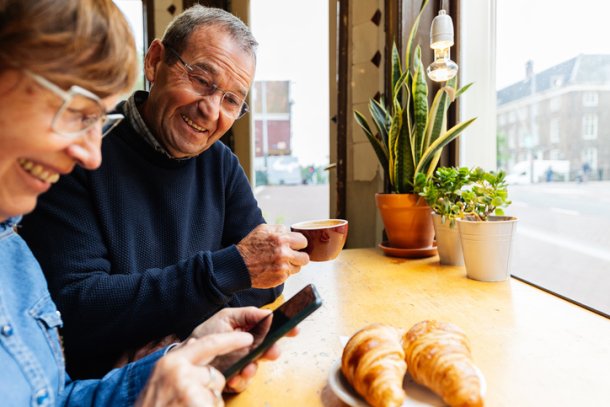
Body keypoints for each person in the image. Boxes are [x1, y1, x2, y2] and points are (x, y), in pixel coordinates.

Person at [0, 0, 295, 405]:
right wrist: (219, 277)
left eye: (231, 100)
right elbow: (79, 311)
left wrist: (181, 349)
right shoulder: (56, 170)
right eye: (201, 80)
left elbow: (263, 277)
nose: (211, 110)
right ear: (155, 62)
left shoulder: (220, 163)